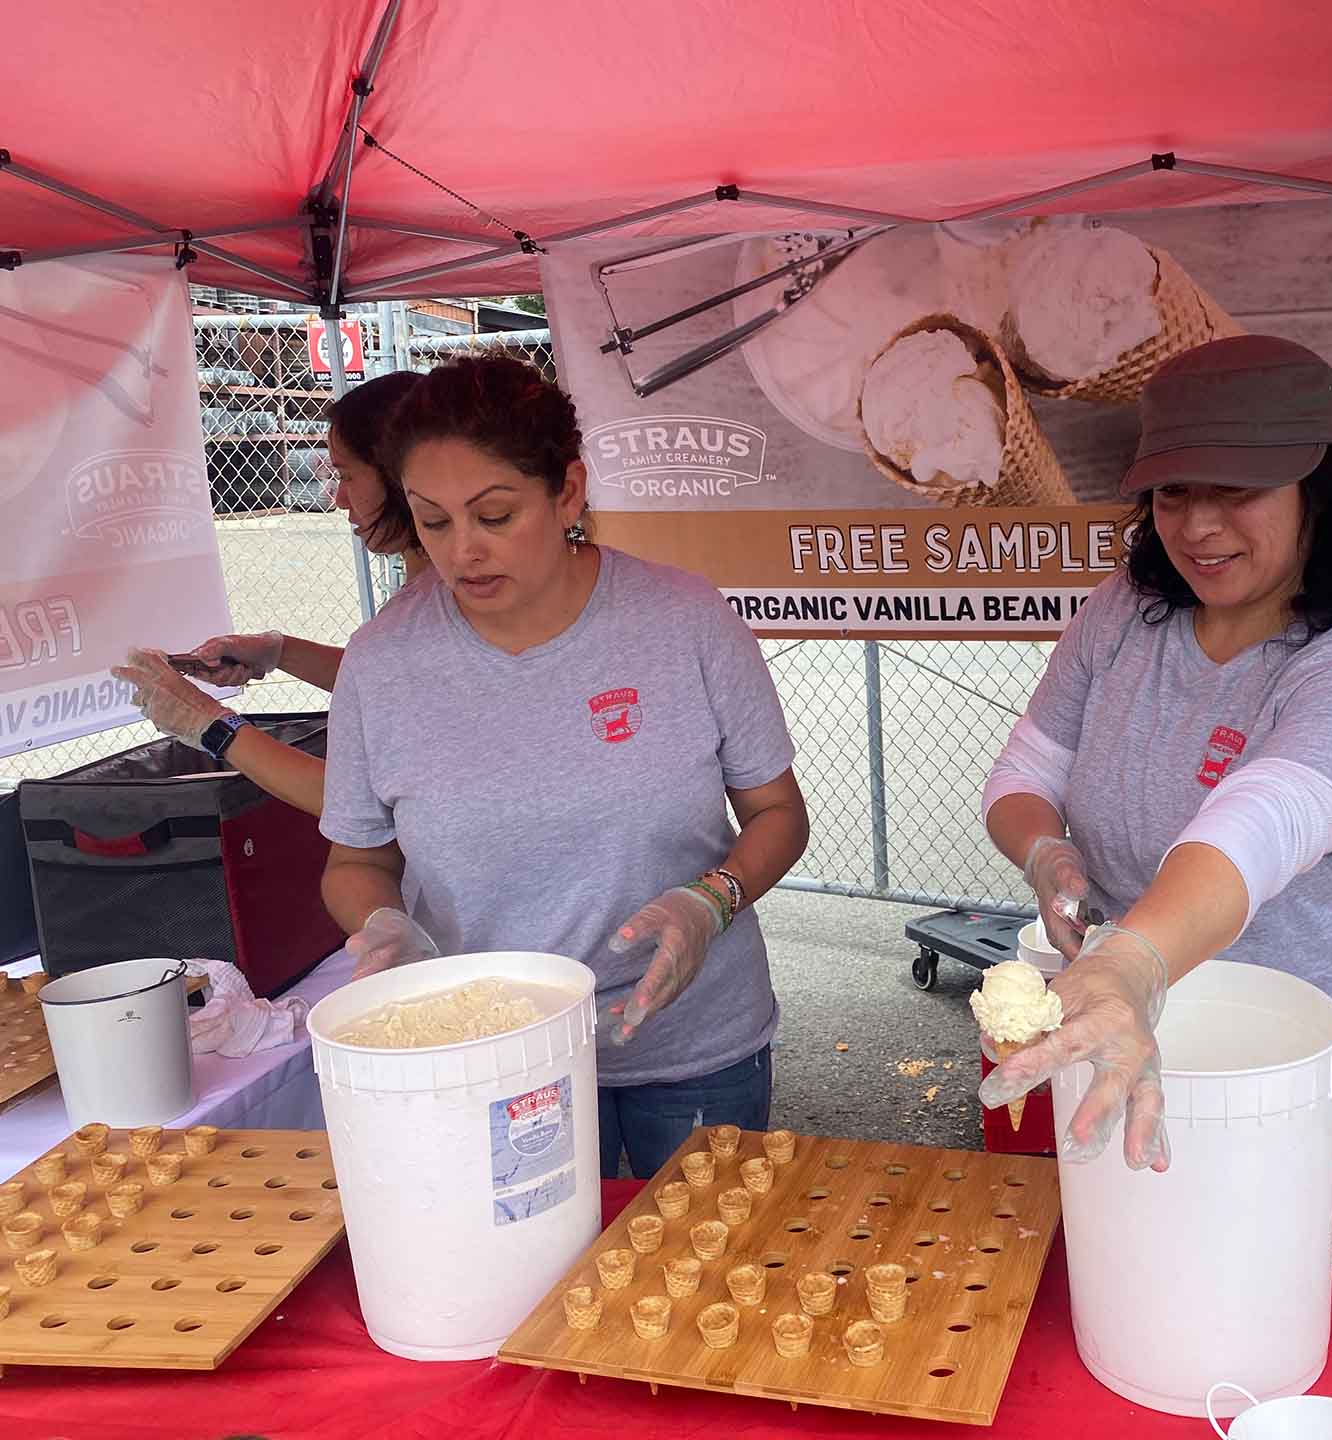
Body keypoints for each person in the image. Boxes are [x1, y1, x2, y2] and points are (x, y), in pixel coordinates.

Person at [317, 355, 809, 1180]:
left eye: (496, 515)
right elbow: (357, 861)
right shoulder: (381, 664)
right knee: (535, 1290)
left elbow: (778, 813)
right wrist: (383, 929)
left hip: (690, 1040)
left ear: (569, 492)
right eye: (433, 522)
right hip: (489, 1055)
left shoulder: (683, 621)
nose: (464, 552)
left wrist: (709, 902)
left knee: (699, 1282)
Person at [979, 335, 1332, 1187]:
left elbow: (1258, 823)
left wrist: (1126, 960)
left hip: (1323, 1083)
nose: (1197, 525)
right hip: (1138, 1051)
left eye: (1237, 491)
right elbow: (1024, 773)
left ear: (1320, 493)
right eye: (1174, 492)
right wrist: (1047, 855)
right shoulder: (1124, 614)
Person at [111, 371, 429, 816]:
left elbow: (358, 803)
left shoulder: (432, 613)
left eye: (348, 475)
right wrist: (277, 652)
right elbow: (394, 678)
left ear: (400, 476)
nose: (338, 498)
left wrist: (210, 724)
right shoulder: (429, 608)